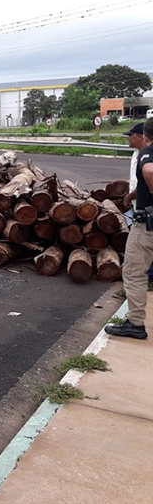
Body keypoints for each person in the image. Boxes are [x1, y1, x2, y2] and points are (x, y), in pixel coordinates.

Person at [105, 118, 153, 339]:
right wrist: (131, 195)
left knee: (133, 272)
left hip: (147, 225)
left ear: (145, 136)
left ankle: (135, 323)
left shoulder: (147, 153)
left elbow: (150, 173)